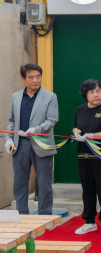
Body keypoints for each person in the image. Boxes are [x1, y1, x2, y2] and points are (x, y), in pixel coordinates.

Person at [4, 63, 58, 215]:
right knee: (20, 183)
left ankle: (45, 214)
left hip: (42, 144)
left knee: (44, 183)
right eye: (31, 77)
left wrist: (35, 130)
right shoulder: (16, 97)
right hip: (20, 145)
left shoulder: (50, 96)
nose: (35, 80)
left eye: (38, 76)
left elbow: (52, 120)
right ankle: (21, 214)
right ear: (23, 79)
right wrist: (8, 139)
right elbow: (12, 121)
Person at [72, 79, 101, 237]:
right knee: (87, 190)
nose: (96, 95)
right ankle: (89, 222)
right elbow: (76, 126)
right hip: (83, 155)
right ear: (86, 94)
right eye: (92, 92)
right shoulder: (80, 109)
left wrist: (91, 136)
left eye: (98, 91)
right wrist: (77, 132)